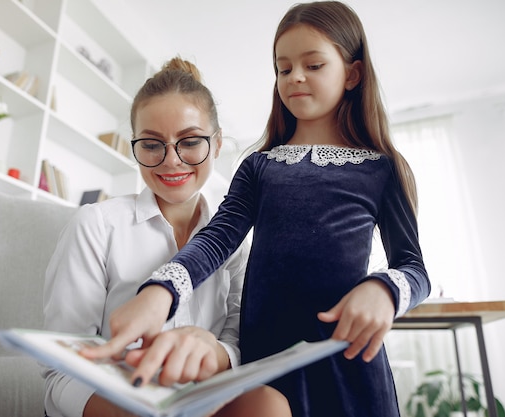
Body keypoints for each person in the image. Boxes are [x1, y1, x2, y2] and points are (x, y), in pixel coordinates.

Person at [83, 2, 431, 416]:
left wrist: (385, 290)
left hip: (348, 362)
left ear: (353, 74)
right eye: (283, 69)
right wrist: (162, 290)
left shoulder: (382, 168)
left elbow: (414, 268)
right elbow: (216, 239)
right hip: (265, 364)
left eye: (314, 65)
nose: (295, 77)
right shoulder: (259, 166)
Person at [42, 57, 290, 417]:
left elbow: (238, 342)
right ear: (135, 146)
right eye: (152, 144)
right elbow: (60, 368)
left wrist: (215, 353)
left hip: (202, 402)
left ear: (217, 144)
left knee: (270, 404)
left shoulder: (234, 245)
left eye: (190, 141)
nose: (171, 161)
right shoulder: (96, 225)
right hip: (116, 402)